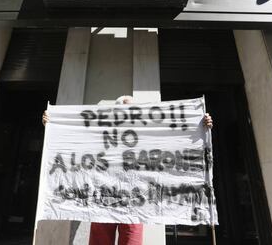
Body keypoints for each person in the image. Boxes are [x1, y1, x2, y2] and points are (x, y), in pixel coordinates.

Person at [42, 95, 213, 245]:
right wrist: (53, 124)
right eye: (123, 110)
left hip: (135, 203)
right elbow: (75, 142)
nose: (127, 113)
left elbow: (174, 141)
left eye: (131, 109)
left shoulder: (146, 135)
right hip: (102, 200)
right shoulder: (100, 133)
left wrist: (199, 125)